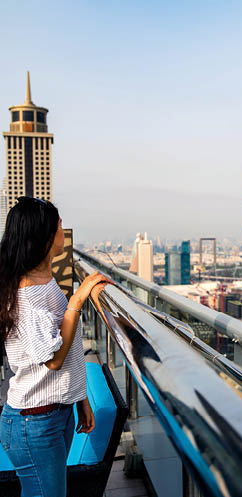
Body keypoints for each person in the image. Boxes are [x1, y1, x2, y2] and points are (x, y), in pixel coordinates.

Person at [0, 196, 108, 497]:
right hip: (32, 423)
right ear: (46, 237)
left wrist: (79, 397)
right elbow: (54, 359)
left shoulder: (42, 280)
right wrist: (78, 299)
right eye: (60, 226)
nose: (64, 231)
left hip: (52, 414)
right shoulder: (25, 296)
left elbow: (64, 342)